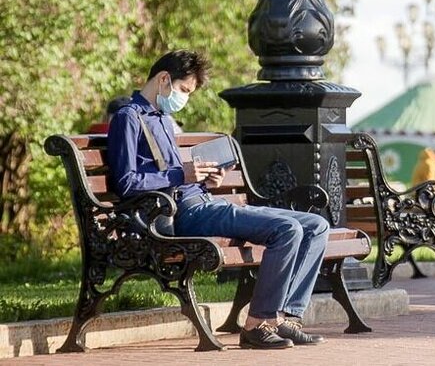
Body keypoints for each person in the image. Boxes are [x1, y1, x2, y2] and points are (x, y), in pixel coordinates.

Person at [107, 50, 329, 350]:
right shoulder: (128, 117)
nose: (184, 98)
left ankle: (284, 318)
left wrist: (205, 179)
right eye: (184, 90)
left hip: (202, 200)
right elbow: (126, 182)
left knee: (316, 225)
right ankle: (256, 325)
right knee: (287, 230)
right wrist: (180, 176)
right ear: (163, 80)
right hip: (182, 212)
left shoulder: (162, 118)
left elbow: (176, 174)